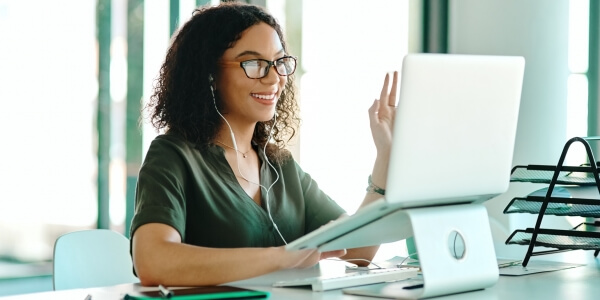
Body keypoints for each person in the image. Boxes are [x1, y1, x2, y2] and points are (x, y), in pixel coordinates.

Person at [131, 2, 399, 287]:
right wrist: (283, 257)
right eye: (254, 64)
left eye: (279, 62)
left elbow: (357, 251)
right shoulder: (173, 155)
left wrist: (386, 155)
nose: (274, 78)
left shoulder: (281, 167)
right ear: (209, 74)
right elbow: (153, 261)